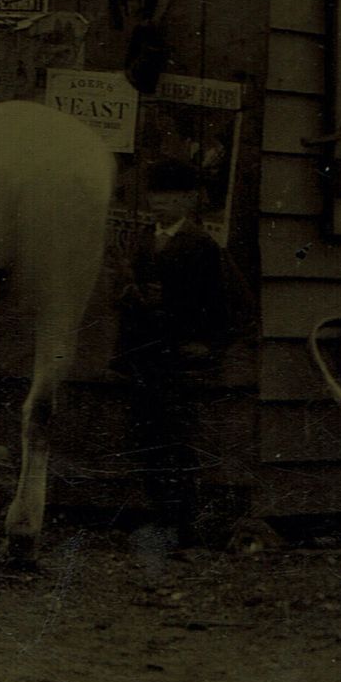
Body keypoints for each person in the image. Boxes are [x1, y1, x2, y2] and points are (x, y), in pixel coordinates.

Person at [117, 156, 256, 549]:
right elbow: (127, 296)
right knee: (144, 435)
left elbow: (224, 304)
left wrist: (208, 344)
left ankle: (181, 524)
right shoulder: (142, 239)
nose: (160, 202)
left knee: (176, 439)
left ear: (190, 200)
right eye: (155, 194)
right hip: (145, 355)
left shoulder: (202, 245)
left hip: (180, 358)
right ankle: (156, 516)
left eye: (172, 195)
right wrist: (130, 295)